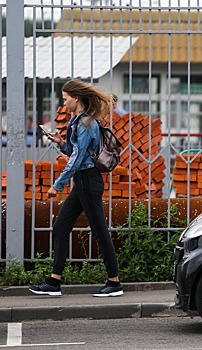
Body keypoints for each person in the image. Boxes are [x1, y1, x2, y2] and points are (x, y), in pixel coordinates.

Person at [29, 80, 123, 297]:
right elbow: (76, 151)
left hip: (88, 182)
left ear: (76, 98)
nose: (64, 103)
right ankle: (54, 281)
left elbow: (78, 159)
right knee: (61, 227)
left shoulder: (85, 123)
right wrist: (61, 142)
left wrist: (57, 185)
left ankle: (114, 282)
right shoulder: (79, 121)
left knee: (100, 231)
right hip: (83, 182)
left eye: (65, 98)